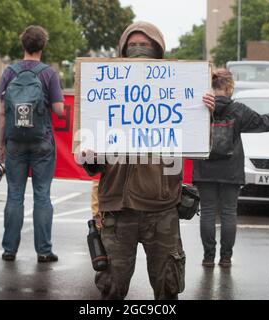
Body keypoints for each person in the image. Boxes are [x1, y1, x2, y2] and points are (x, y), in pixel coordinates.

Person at [81, 21, 215, 300]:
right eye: (132, 46)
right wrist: (89, 155)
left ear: (158, 52)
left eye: (145, 46)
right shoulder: (107, 94)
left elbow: (198, 143)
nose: (138, 50)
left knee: (167, 291)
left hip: (162, 210)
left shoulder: (176, 94)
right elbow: (92, 165)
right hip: (117, 209)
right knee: (111, 290)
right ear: (122, 50)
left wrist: (205, 113)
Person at [192, 69, 269, 268]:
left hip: (204, 168)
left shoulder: (200, 107)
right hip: (231, 170)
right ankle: (225, 258)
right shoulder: (239, 110)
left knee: (207, 212)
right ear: (230, 87)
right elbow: (263, 123)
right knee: (229, 213)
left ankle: (208, 257)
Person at [0, 26, 64, 263]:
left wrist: (0, 143)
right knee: (42, 195)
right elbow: (58, 110)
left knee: (14, 195)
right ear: (42, 46)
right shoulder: (48, 74)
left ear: (23, 45)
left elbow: (3, 113)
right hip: (42, 142)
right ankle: (44, 251)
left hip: (14, 142)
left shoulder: (9, 73)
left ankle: (9, 250)